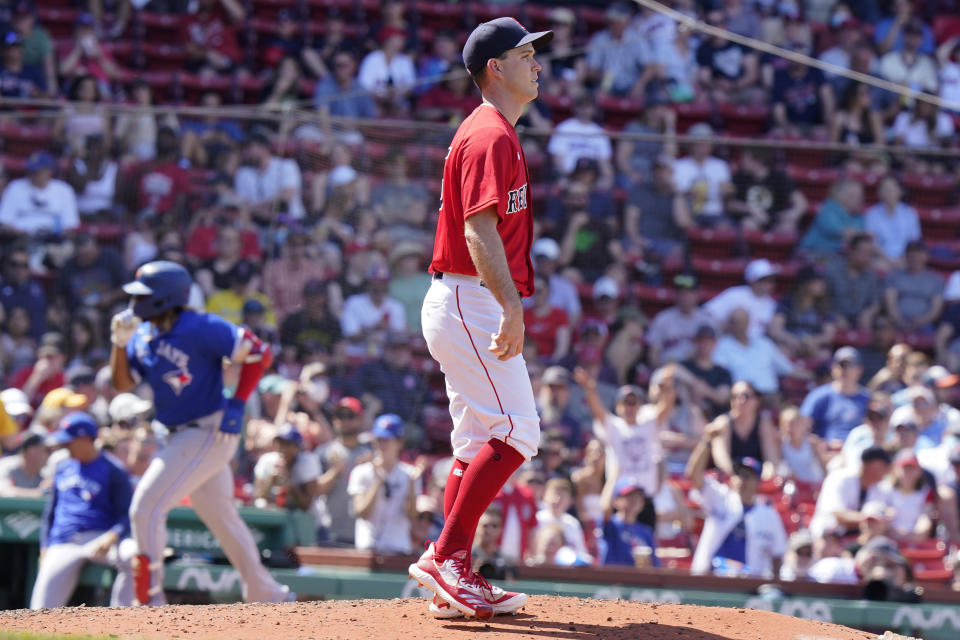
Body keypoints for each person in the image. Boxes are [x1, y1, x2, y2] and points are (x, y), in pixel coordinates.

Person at [409, 17, 553, 621]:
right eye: (525, 54)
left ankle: (452, 576)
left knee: (475, 441)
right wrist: (512, 306)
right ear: (496, 66)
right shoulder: (491, 133)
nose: (536, 63)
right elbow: (477, 229)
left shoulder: (491, 130)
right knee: (518, 432)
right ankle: (448, 559)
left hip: (460, 298)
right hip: (472, 297)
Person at [109, 261, 291, 605]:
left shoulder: (201, 326)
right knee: (221, 517)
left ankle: (148, 600)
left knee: (145, 509)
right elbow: (123, 383)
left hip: (208, 431)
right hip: (174, 434)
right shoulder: (143, 334)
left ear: (166, 298)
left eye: (144, 296)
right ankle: (266, 591)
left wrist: (237, 403)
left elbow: (260, 353)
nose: (135, 304)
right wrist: (118, 344)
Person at [30, 412, 135, 608]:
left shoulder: (113, 470)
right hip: (65, 541)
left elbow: (127, 515)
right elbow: (49, 513)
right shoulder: (62, 467)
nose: (64, 446)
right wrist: (45, 545)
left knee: (133, 556)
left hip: (101, 537)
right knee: (40, 609)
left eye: (69, 441)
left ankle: (124, 617)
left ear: (87, 439)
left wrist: (112, 536)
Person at [687, 429, 787, 578]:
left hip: (748, 583)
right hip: (709, 576)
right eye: (738, 474)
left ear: (758, 482)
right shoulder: (720, 497)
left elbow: (777, 554)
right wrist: (706, 442)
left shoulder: (769, 514)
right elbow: (694, 475)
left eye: (747, 476)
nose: (741, 480)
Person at [348, 414, 421, 554]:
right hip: (367, 548)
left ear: (399, 443)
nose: (381, 445)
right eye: (378, 439)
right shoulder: (361, 471)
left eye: (387, 440)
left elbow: (412, 516)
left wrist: (411, 485)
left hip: (398, 548)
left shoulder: (410, 474)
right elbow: (361, 512)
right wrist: (378, 481)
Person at [315, 397, 374, 547]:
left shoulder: (371, 455)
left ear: (360, 419)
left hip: (362, 535)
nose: (344, 421)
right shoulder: (324, 452)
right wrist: (335, 471)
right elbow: (314, 491)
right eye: (340, 416)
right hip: (329, 532)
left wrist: (371, 468)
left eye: (350, 416)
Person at [809, 446, 891, 537]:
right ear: (867, 464)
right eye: (882, 467)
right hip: (826, 535)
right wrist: (871, 519)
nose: (885, 471)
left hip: (856, 539)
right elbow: (839, 516)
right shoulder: (840, 477)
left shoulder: (878, 487)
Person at [707, 381, 780, 478]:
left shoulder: (763, 423)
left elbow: (771, 459)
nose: (740, 400)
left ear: (757, 400)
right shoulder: (723, 423)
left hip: (756, 480)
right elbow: (721, 459)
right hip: (728, 481)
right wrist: (738, 479)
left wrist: (765, 477)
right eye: (735, 396)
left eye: (746, 396)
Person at [800, 347, 871, 445]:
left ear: (860, 370)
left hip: (857, 452)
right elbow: (802, 428)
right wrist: (821, 444)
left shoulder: (867, 398)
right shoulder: (819, 396)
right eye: (841, 365)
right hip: (824, 453)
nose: (845, 369)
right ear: (833, 368)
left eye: (850, 365)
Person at [727, 147, 807, 232]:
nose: (743, 162)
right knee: (749, 224)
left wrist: (793, 214)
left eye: (746, 159)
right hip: (752, 219)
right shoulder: (740, 177)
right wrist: (750, 208)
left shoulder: (777, 178)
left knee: (789, 226)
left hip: (775, 220)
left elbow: (801, 202)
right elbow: (730, 204)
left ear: (759, 160)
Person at [0, 151, 79, 235]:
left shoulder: (64, 190)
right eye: (30, 171)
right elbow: (5, 221)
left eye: (36, 172)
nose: (32, 175)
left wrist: (51, 235)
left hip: (54, 239)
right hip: (20, 238)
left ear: (49, 171)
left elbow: (71, 224)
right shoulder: (15, 187)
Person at [253, 422, 319, 514]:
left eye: (287, 444)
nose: (282, 447)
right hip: (272, 519)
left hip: (305, 522)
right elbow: (257, 497)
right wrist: (270, 481)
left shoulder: (307, 462)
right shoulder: (266, 461)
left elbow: (306, 505)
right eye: (279, 442)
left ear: (297, 447)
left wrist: (289, 484)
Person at [646, 275, 713, 367]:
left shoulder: (706, 319)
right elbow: (654, 353)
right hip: (669, 370)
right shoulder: (663, 318)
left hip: (697, 370)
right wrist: (659, 371)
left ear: (697, 294)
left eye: (689, 293)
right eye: (681, 293)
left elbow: (712, 351)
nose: (685, 297)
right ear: (676, 295)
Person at [704, 259, 778, 338]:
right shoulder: (734, 294)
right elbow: (708, 313)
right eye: (763, 280)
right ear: (752, 280)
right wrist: (725, 327)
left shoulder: (772, 304)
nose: (767, 284)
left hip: (757, 346)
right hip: (730, 341)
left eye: (770, 280)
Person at [824, 233, 882, 330]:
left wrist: (868, 313)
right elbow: (823, 300)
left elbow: (875, 303)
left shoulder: (871, 275)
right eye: (863, 252)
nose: (866, 257)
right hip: (836, 316)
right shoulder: (833, 271)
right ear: (851, 251)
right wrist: (835, 316)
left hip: (860, 318)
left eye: (869, 253)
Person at [884, 241, 944, 332]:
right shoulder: (894, 276)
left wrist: (923, 320)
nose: (915, 257)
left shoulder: (935, 279)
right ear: (906, 256)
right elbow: (890, 304)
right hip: (896, 322)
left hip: (924, 324)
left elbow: (936, 309)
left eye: (918, 254)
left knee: (931, 333)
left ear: (926, 256)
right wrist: (899, 321)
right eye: (911, 254)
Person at [799, 178, 865, 257]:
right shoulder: (828, 209)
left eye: (861, 195)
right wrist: (857, 235)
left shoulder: (859, 216)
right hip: (814, 253)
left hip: (842, 257)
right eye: (854, 195)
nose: (860, 199)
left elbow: (861, 238)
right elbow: (835, 230)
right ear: (841, 196)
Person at [864, 176, 921, 266]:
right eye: (885, 189)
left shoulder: (910, 213)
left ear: (900, 191)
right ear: (879, 193)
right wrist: (889, 260)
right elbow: (872, 243)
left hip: (905, 259)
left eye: (892, 189)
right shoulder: (871, 214)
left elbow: (914, 241)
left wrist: (902, 259)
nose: (889, 192)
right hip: (881, 259)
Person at [600, 479, 657, 567]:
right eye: (629, 496)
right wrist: (612, 476)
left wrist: (648, 566)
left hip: (637, 579)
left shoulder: (646, 531)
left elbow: (656, 565)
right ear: (616, 501)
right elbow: (605, 508)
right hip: (612, 577)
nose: (635, 500)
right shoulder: (610, 525)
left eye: (638, 496)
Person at [0, 432, 48, 497]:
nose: (50, 454)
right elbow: (4, 491)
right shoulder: (6, 465)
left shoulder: (46, 473)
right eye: (47, 450)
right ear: (32, 452)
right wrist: (39, 493)